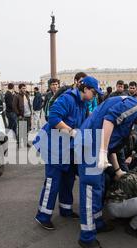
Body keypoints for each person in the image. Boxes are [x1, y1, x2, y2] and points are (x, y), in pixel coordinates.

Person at [75, 97, 137, 248]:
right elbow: (109, 120)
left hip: (94, 146)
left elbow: (113, 140)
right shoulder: (135, 106)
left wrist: (117, 170)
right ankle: (87, 237)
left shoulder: (129, 111)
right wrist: (103, 152)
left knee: (98, 187)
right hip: (91, 147)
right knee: (90, 191)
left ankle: (97, 222)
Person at [34, 76, 101, 231]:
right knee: (53, 182)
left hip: (67, 148)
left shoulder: (83, 103)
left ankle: (66, 209)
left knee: (68, 179)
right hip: (53, 147)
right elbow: (53, 118)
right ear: (85, 89)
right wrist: (71, 131)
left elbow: (84, 122)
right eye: (94, 92)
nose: (95, 96)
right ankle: (42, 216)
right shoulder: (67, 99)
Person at [13, 84, 33, 148]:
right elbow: (14, 106)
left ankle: (26, 142)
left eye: (25, 88)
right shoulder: (17, 96)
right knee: (21, 130)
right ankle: (18, 143)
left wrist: (31, 114)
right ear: (20, 89)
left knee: (27, 130)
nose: (24, 89)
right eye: (23, 88)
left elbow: (28, 105)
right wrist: (18, 114)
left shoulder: (27, 95)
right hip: (22, 116)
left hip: (28, 115)